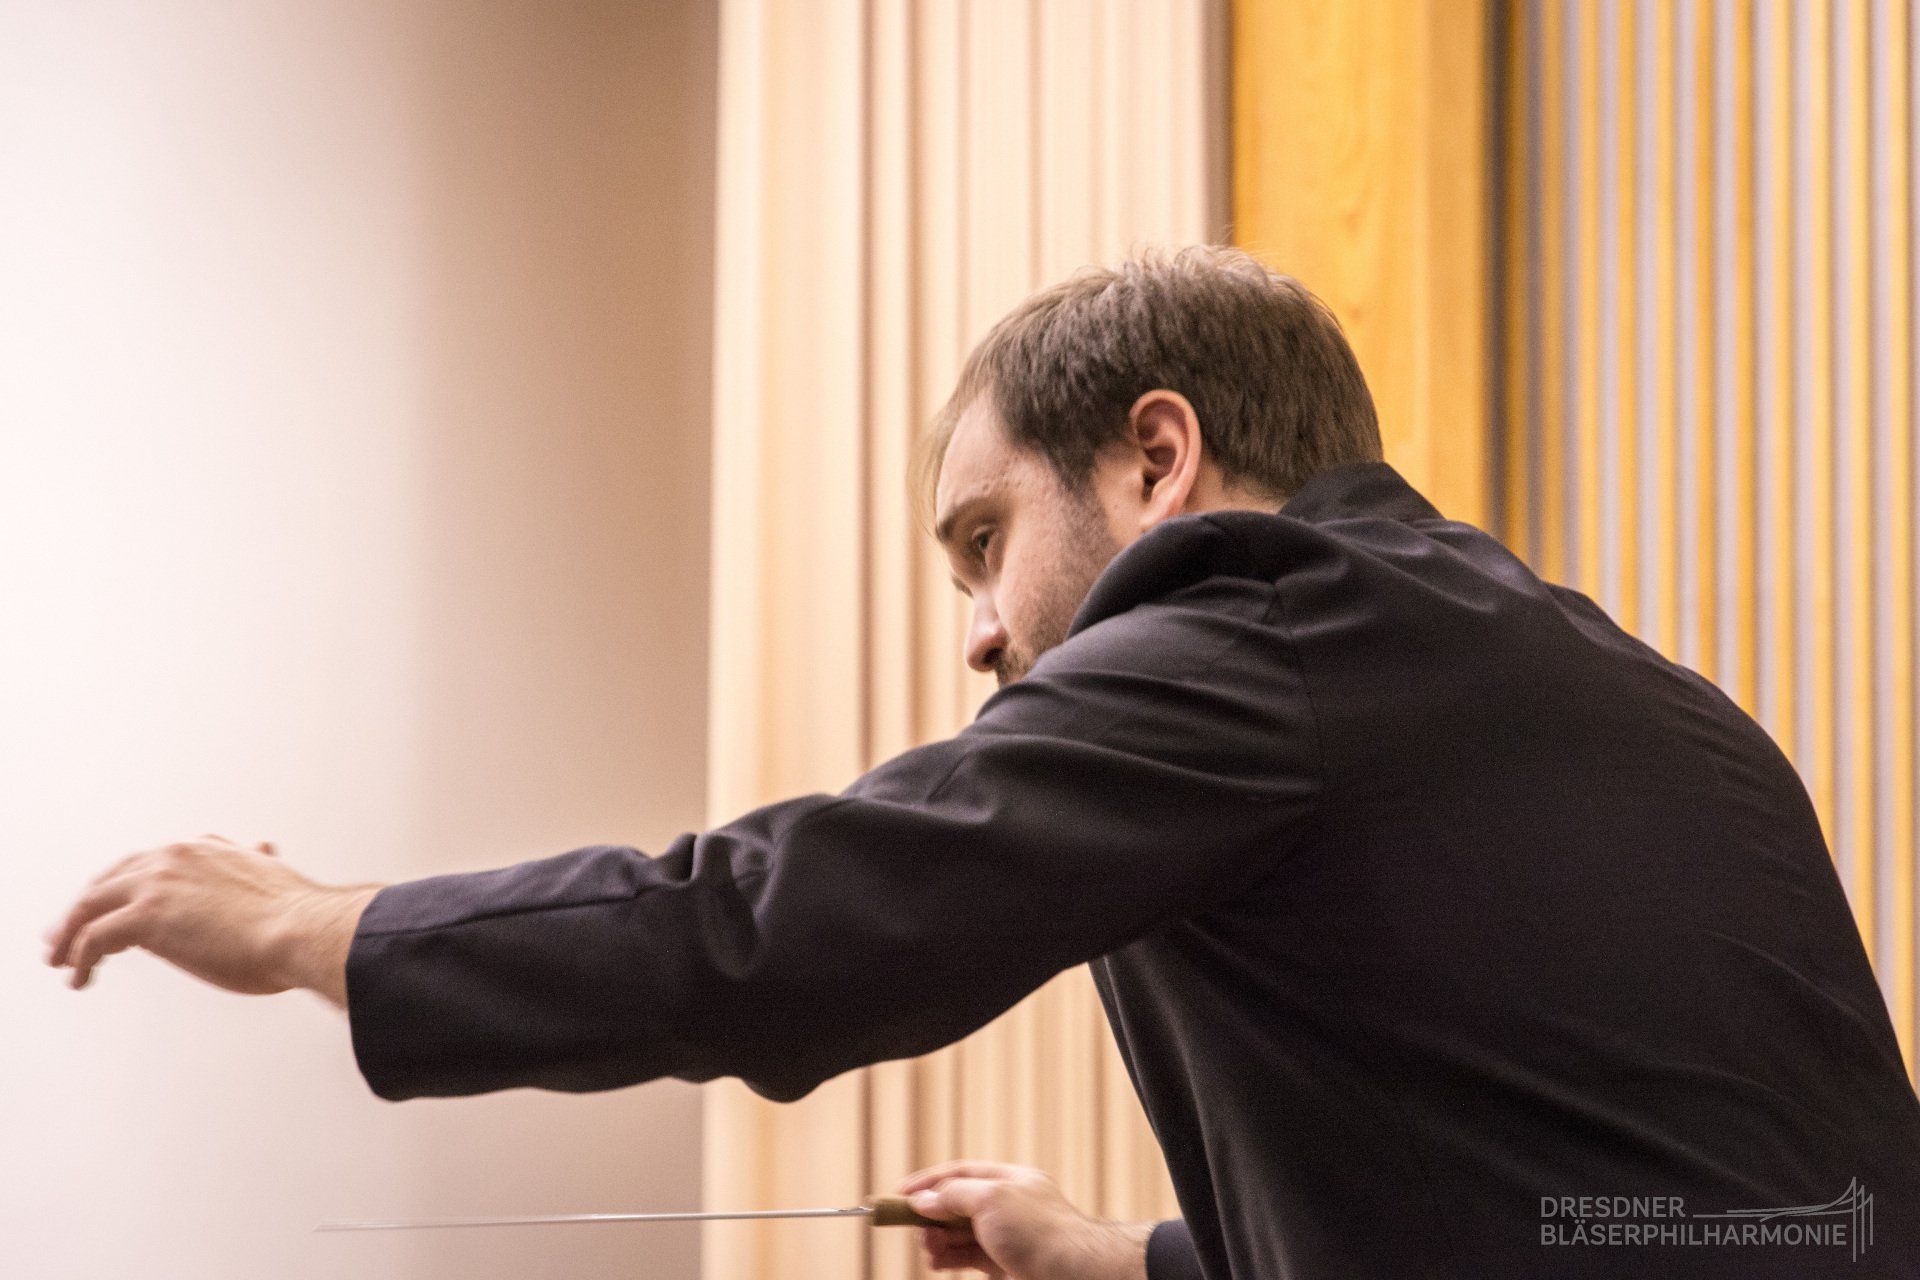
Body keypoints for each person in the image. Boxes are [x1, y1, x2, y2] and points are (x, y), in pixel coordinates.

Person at [44, 247, 1920, 1278]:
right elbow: (1559, 1191)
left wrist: (329, 928)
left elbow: (791, 924)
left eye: (978, 539)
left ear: (1157, 458)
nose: (977, 633)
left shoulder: (1256, 627)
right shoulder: (1620, 687)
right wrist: (1135, 1263)